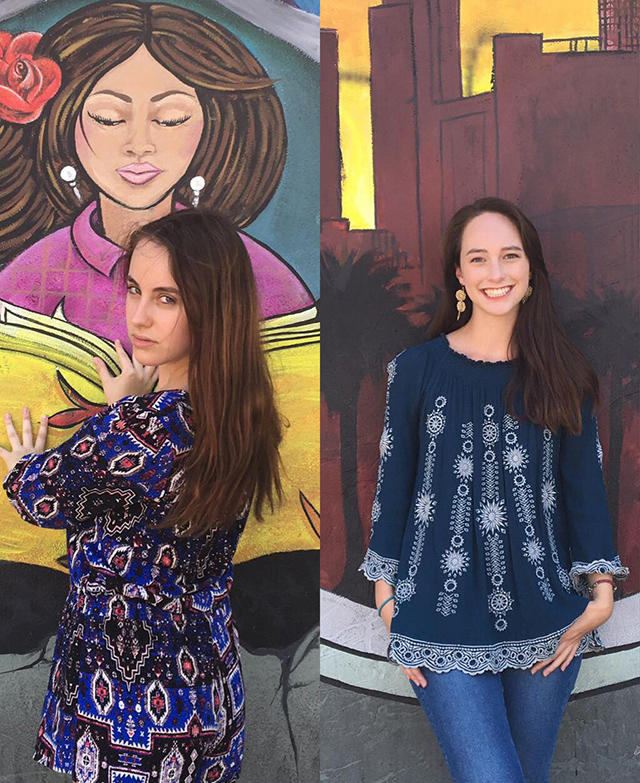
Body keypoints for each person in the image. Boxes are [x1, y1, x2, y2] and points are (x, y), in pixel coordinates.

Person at [1, 210, 284, 782]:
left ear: (211, 307)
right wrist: (128, 410)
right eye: (134, 289)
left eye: (167, 299)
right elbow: (144, 499)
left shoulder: (134, 432)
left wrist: (20, 465)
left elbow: (41, 496)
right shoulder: (244, 417)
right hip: (207, 691)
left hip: (125, 703)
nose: (138, 316)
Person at [360, 197, 628, 783]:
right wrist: (387, 601)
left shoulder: (565, 371)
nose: (495, 273)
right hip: (436, 619)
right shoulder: (415, 369)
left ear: (531, 268)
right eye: (477, 259)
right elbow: (394, 485)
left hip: (548, 624)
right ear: (458, 274)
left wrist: (601, 595)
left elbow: (585, 488)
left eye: (509, 256)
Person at [0, 1, 312, 345]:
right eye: (108, 118)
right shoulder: (30, 276)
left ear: (212, 128)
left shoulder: (256, 275)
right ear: (65, 124)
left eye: (170, 119)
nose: (139, 145)